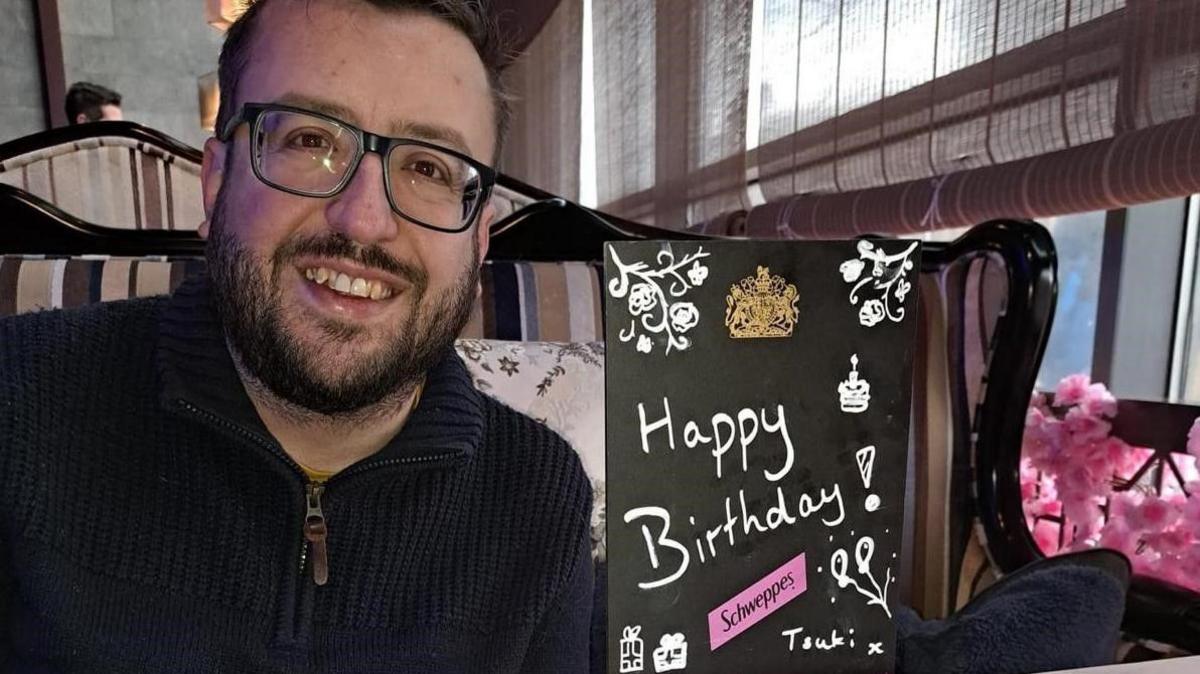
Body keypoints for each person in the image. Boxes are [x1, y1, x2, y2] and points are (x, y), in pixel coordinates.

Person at [0, 1, 593, 671]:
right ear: (218, 179)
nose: (364, 221)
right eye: (310, 140)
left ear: (480, 236)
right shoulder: (18, 404)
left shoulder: (540, 501)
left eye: (428, 168)